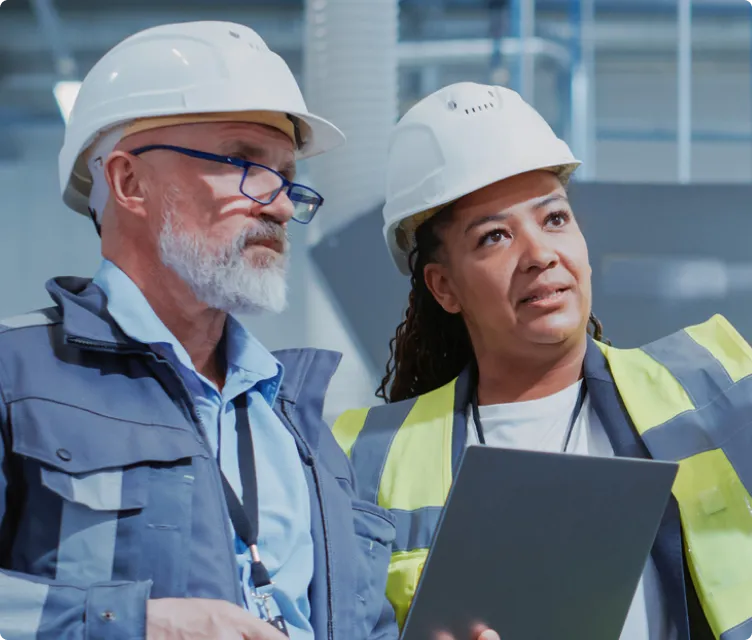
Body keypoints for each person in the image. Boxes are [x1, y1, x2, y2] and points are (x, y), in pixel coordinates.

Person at [0, 21, 399, 640]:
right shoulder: (15, 376)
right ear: (129, 182)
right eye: (242, 160)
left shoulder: (298, 424)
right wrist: (133, 627)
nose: (282, 204)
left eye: (287, 175)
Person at [334, 82, 752, 640]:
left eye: (554, 219)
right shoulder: (359, 458)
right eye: (495, 237)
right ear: (443, 287)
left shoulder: (717, 381)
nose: (539, 254)